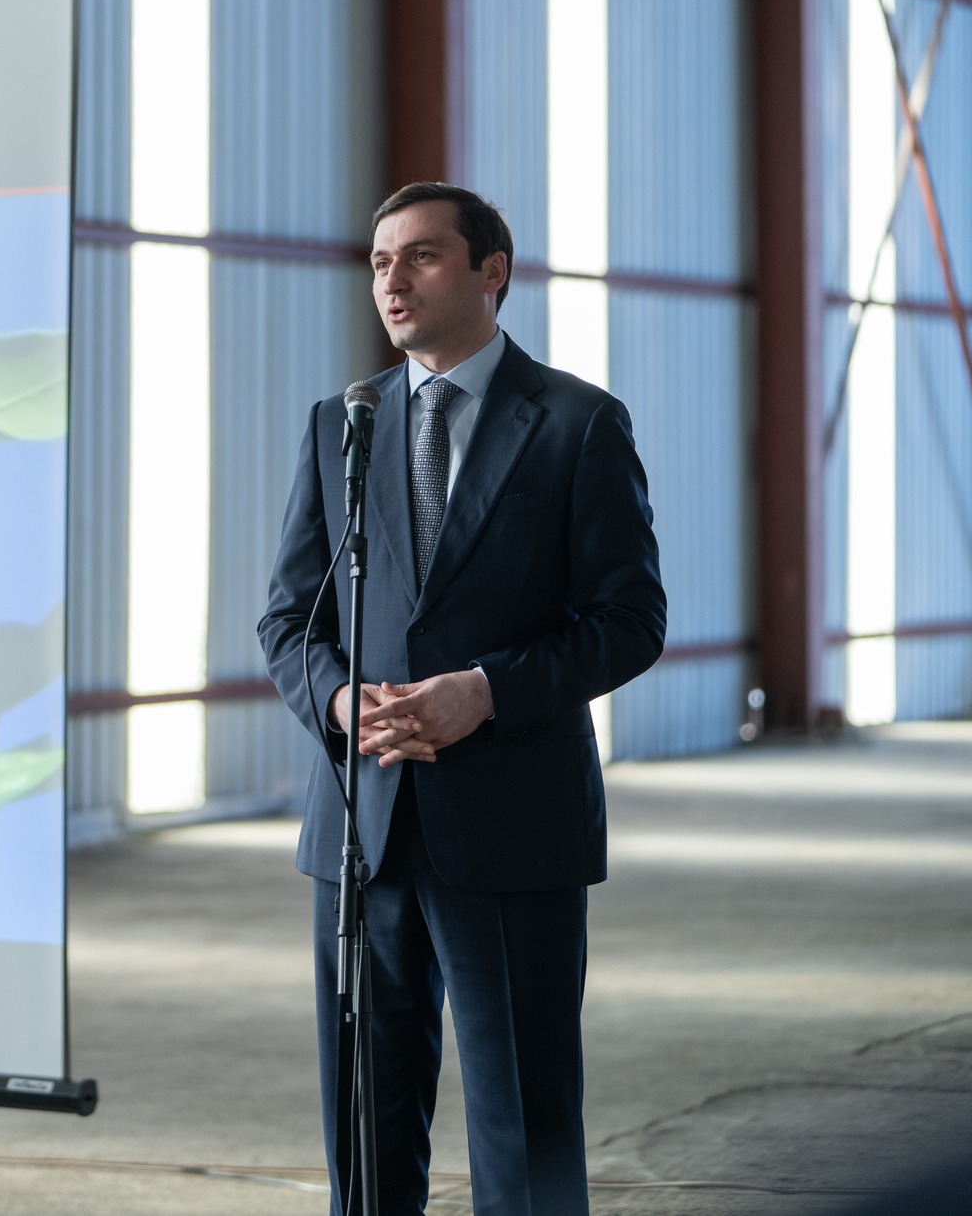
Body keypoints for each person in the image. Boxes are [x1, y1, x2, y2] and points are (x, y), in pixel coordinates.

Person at [257, 182, 666, 1216]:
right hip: (362, 826)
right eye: (379, 261)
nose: (391, 279)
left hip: (511, 826)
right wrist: (341, 704)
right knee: (365, 1127)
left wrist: (483, 693)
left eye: (421, 255)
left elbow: (629, 620)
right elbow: (290, 622)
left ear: (492, 272)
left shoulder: (576, 423)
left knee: (523, 1126)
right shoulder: (341, 425)